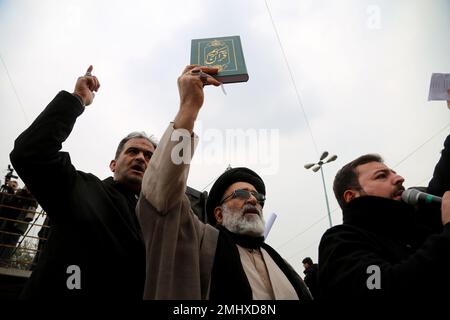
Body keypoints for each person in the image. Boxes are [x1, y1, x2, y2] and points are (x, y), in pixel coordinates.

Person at [136, 65, 312, 301]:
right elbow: (161, 191)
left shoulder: (279, 262)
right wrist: (188, 109)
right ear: (218, 214)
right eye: (240, 193)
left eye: (258, 197)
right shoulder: (201, 243)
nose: (252, 199)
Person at [10, 66, 156, 299]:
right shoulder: (82, 189)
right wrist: (77, 100)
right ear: (113, 164)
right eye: (133, 152)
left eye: (149, 156)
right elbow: (31, 153)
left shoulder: (160, 219)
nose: (140, 158)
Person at [318, 104, 450, 302]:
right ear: (351, 196)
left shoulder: (418, 218)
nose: (399, 179)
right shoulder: (341, 242)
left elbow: (443, 179)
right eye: (382, 176)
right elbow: (385, 286)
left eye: (395, 173)